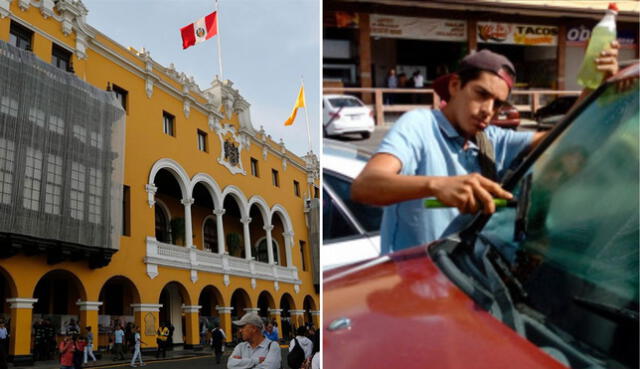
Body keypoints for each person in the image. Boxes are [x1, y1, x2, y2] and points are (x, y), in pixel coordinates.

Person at [351, 45, 619, 254]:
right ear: (455, 86)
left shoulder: (490, 140)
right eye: (481, 94)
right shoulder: (419, 124)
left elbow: (562, 138)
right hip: (410, 282)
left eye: (498, 104)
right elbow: (365, 186)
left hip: (463, 276)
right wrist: (436, 185)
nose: (488, 111)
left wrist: (597, 89)